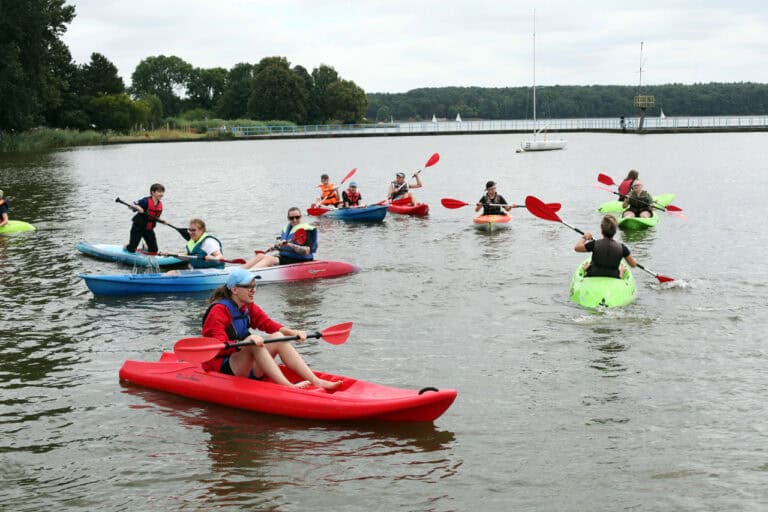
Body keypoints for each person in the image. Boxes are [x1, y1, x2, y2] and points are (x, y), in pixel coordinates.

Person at [200, 268, 342, 390]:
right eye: (249, 287)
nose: (253, 290)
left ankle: (316, 381)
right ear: (235, 289)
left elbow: (267, 324)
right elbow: (218, 346)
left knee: (277, 336)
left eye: (255, 286)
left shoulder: (247, 306)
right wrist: (245, 343)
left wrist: (293, 332)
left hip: (246, 366)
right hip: (223, 369)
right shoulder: (218, 311)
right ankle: (288, 387)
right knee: (253, 342)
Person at [241, 207, 317, 269]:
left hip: (300, 259)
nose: (295, 220)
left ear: (301, 217)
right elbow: (285, 247)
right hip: (286, 257)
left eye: (297, 217)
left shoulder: (306, 230)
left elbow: (306, 251)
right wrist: (276, 247)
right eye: (292, 218)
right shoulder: (287, 229)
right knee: (260, 256)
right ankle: (239, 271)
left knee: (269, 259)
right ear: (288, 218)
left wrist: (289, 244)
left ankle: (247, 276)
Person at [125, 183, 166, 253]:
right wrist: (138, 207)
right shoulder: (145, 201)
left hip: (149, 229)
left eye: (162, 192)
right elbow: (130, 206)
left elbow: (154, 218)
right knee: (132, 248)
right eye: (159, 192)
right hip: (138, 227)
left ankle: (145, 248)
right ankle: (127, 246)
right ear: (153, 192)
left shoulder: (160, 205)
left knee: (154, 250)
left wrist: (161, 221)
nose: (161, 194)